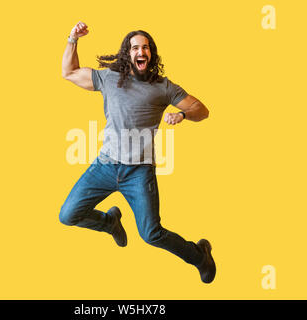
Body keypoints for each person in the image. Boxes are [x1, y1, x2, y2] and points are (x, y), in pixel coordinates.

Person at [60, 22, 216, 284]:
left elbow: (202, 109)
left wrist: (182, 114)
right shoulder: (108, 78)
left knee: (151, 233)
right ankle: (110, 223)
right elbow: (70, 71)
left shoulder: (163, 87)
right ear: (127, 54)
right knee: (68, 215)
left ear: (150, 54)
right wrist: (72, 39)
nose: (140, 51)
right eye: (135, 47)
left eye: (145, 47)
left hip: (139, 172)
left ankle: (200, 256)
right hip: (105, 166)